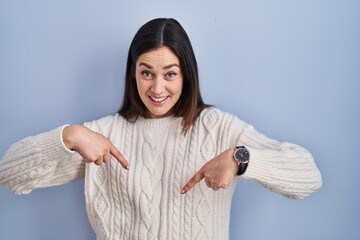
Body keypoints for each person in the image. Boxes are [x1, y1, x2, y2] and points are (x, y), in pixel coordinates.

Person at [0, 18, 322, 240]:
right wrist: (68, 136)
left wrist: (242, 159)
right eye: (146, 73)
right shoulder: (103, 135)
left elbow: (308, 176)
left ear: (186, 75)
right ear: (133, 74)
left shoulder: (217, 128)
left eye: (170, 74)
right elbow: (9, 174)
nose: (157, 88)